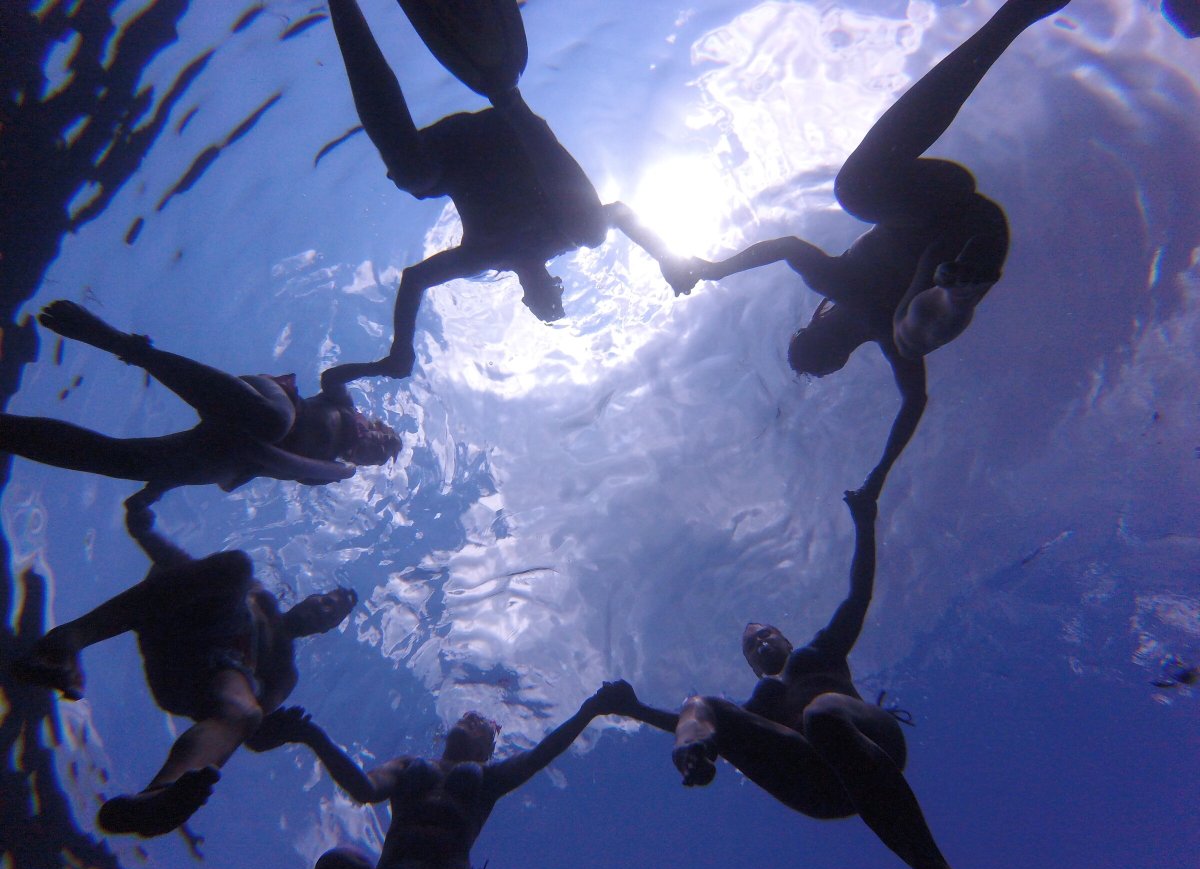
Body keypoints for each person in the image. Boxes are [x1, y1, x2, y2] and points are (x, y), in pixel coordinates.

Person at [680, 0, 1069, 497]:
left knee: (909, 323)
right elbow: (784, 246)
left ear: (839, 350)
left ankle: (956, 283)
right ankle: (955, 282)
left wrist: (879, 479)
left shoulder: (865, 312)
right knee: (862, 205)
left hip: (968, 225)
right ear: (819, 323)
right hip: (961, 224)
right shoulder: (846, 295)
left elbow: (914, 403)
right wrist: (712, 270)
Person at [603, 490, 969, 869]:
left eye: (765, 635)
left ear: (785, 638)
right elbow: (693, 720)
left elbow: (858, 595)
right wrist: (634, 709)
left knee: (822, 714)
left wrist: (865, 522)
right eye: (751, 648)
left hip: (871, 745)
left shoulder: (820, 654)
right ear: (751, 666)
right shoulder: (760, 704)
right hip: (818, 787)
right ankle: (693, 755)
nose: (759, 644)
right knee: (699, 704)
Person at [319, 0, 693, 384]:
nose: (546, 295)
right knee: (593, 234)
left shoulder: (483, 257)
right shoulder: (561, 238)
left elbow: (415, 279)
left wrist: (401, 348)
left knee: (414, 177)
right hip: (510, 133)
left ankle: (343, 8)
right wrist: (666, 255)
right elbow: (619, 212)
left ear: (526, 300)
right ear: (555, 284)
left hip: (452, 155)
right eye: (554, 298)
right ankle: (509, 97)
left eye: (541, 306)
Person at [11, 500, 359, 837]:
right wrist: (147, 535)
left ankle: (160, 795)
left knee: (246, 708)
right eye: (327, 601)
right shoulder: (259, 598)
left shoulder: (284, 670)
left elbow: (250, 731)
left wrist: (285, 731)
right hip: (181, 627)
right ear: (311, 597)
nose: (326, 609)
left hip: (194, 679)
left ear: (324, 631)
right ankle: (66, 644)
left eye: (333, 614)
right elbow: (190, 572)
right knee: (236, 567)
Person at [252, 681, 639, 869]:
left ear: (487, 750)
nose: (473, 719)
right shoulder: (408, 765)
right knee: (339, 866)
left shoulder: (487, 778)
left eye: (482, 725)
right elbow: (365, 788)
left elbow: (540, 755)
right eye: (469, 716)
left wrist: (588, 710)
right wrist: (311, 735)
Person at [0, 300, 401, 506]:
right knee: (273, 422)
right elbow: (331, 377)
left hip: (243, 448)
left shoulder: (334, 469)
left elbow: (282, 466)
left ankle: (8, 434)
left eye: (378, 458)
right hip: (267, 402)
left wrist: (165, 481)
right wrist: (378, 365)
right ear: (377, 425)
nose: (375, 450)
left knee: (127, 461)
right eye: (383, 441)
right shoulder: (344, 408)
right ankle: (124, 346)